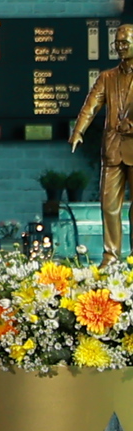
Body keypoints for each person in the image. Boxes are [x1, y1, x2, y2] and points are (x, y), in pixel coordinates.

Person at [69, 24, 133, 259]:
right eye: (117, 43)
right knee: (108, 205)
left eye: (125, 43)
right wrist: (78, 131)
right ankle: (111, 256)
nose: (120, 47)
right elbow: (91, 105)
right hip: (113, 149)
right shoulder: (107, 77)